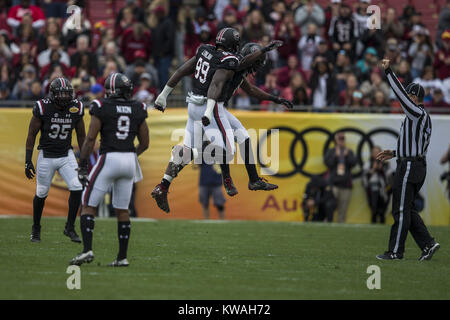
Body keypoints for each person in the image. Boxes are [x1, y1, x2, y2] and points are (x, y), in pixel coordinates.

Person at [150, 28, 285, 213]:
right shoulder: (231, 62)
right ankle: (225, 176)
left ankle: (162, 186)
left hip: (195, 104)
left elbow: (183, 70)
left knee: (243, 137)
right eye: (258, 61)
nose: (257, 66)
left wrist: (276, 99)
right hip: (211, 107)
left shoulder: (209, 52)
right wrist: (263, 50)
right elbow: (218, 83)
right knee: (227, 151)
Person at [69, 73, 149, 267]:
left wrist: (83, 165)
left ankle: (87, 250)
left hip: (109, 157)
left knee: (87, 204)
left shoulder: (101, 106)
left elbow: (90, 139)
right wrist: (129, 155)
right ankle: (122, 257)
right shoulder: (138, 107)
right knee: (122, 209)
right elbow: (145, 143)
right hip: (130, 160)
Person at [376, 58, 440, 261]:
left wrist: (388, 71)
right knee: (408, 208)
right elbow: (416, 145)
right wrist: (395, 153)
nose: (407, 98)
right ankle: (428, 244)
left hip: (411, 166)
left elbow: (399, 94)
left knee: (401, 210)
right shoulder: (422, 116)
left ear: (414, 97)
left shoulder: (416, 113)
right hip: (414, 163)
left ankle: (396, 251)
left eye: (409, 95)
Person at [25, 77, 86, 243]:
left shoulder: (76, 107)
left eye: (67, 94)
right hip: (46, 155)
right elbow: (32, 134)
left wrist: (84, 161)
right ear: (53, 94)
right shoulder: (43, 107)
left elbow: (81, 135)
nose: (65, 97)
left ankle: (70, 227)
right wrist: (28, 160)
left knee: (76, 187)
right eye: (61, 94)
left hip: (66, 155)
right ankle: (36, 227)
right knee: (41, 192)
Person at [324, 132, 357, 223]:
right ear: (336, 140)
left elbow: (353, 163)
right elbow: (327, 163)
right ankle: (328, 223)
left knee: (343, 209)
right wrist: (336, 156)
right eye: (339, 139)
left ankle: (341, 226)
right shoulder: (331, 151)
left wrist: (347, 156)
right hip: (333, 184)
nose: (341, 141)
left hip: (346, 185)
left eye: (343, 139)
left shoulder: (349, 151)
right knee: (330, 206)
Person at [362, 146, 392, 224]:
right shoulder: (368, 163)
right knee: (373, 208)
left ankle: (382, 223)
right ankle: (373, 224)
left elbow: (389, 177)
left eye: (377, 152)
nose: (376, 154)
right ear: (371, 154)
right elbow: (364, 176)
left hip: (383, 189)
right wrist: (373, 169)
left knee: (383, 210)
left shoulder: (386, 164)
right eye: (374, 152)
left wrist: (381, 169)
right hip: (372, 188)